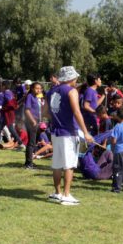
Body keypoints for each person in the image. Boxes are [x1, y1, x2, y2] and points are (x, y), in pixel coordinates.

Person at [46, 66, 95, 205]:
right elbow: (77, 112)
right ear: (71, 78)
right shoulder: (71, 91)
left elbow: (45, 112)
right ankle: (66, 195)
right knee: (69, 165)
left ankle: (57, 192)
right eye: (75, 77)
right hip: (68, 132)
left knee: (56, 164)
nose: (77, 79)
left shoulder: (51, 91)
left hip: (55, 131)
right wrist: (85, 132)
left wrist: (57, 118)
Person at [23, 82, 43, 170]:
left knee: (34, 142)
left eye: (40, 88)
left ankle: (29, 161)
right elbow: (27, 110)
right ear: (32, 89)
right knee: (31, 143)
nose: (39, 90)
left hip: (37, 122)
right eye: (37, 88)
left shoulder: (37, 97)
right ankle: (28, 164)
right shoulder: (30, 97)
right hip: (31, 123)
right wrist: (33, 121)